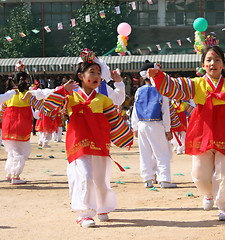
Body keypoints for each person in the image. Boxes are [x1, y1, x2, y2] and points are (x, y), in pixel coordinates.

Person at [147, 39, 225, 221]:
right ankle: (208, 193)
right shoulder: (196, 85)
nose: (213, 63)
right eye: (209, 60)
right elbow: (175, 86)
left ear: (223, 66)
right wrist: (159, 77)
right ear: (203, 65)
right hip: (201, 131)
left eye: (217, 60)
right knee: (199, 172)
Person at [42, 49, 133, 228]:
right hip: (78, 143)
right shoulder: (70, 96)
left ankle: (101, 207)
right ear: (80, 76)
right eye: (92, 72)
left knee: (100, 177)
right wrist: (61, 90)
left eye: (98, 73)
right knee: (84, 175)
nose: (96, 76)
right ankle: (84, 212)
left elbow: (114, 120)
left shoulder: (103, 99)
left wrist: (125, 137)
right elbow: (47, 109)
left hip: (100, 143)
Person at [131, 61, 177, 189]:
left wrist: (134, 126)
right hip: (156, 124)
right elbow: (165, 112)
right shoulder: (161, 91)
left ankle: (147, 179)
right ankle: (164, 179)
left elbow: (135, 109)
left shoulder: (139, 91)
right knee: (162, 152)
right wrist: (167, 129)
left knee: (145, 153)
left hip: (141, 125)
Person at [0, 64, 42, 185]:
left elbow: (2, 110)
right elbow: (41, 107)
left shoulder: (9, 94)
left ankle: (9, 173)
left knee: (11, 151)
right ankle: (16, 175)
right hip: (21, 126)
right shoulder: (29, 95)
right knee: (22, 151)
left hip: (8, 126)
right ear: (27, 80)